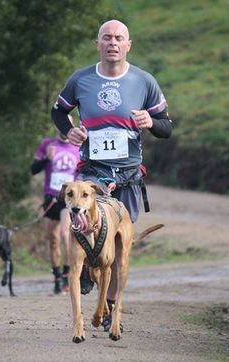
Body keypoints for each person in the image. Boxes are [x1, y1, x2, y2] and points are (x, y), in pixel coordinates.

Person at [51, 20, 172, 327]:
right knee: (84, 230)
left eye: (119, 38)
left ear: (128, 45)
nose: (113, 43)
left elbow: (166, 128)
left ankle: (110, 304)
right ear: (98, 44)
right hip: (93, 176)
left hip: (129, 177)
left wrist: (150, 121)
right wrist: (69, 131)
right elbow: (58, 111)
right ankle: (89, 273)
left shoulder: (144, 81)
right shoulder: (81, 80)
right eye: (107, 38)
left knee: (120, 247)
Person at [31, 115, 80, 295]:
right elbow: (33, 170)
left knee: (65, 234)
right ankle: (57, 277)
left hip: (69, 199)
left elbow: (85, 170)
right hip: (51, 197)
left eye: (69, 124)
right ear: (58, 126)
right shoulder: (47, 145)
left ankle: (68, 274)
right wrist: (46, 159)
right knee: (53, 239)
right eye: (62, 123)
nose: (65, 127)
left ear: (72, 126)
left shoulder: (79, 146)